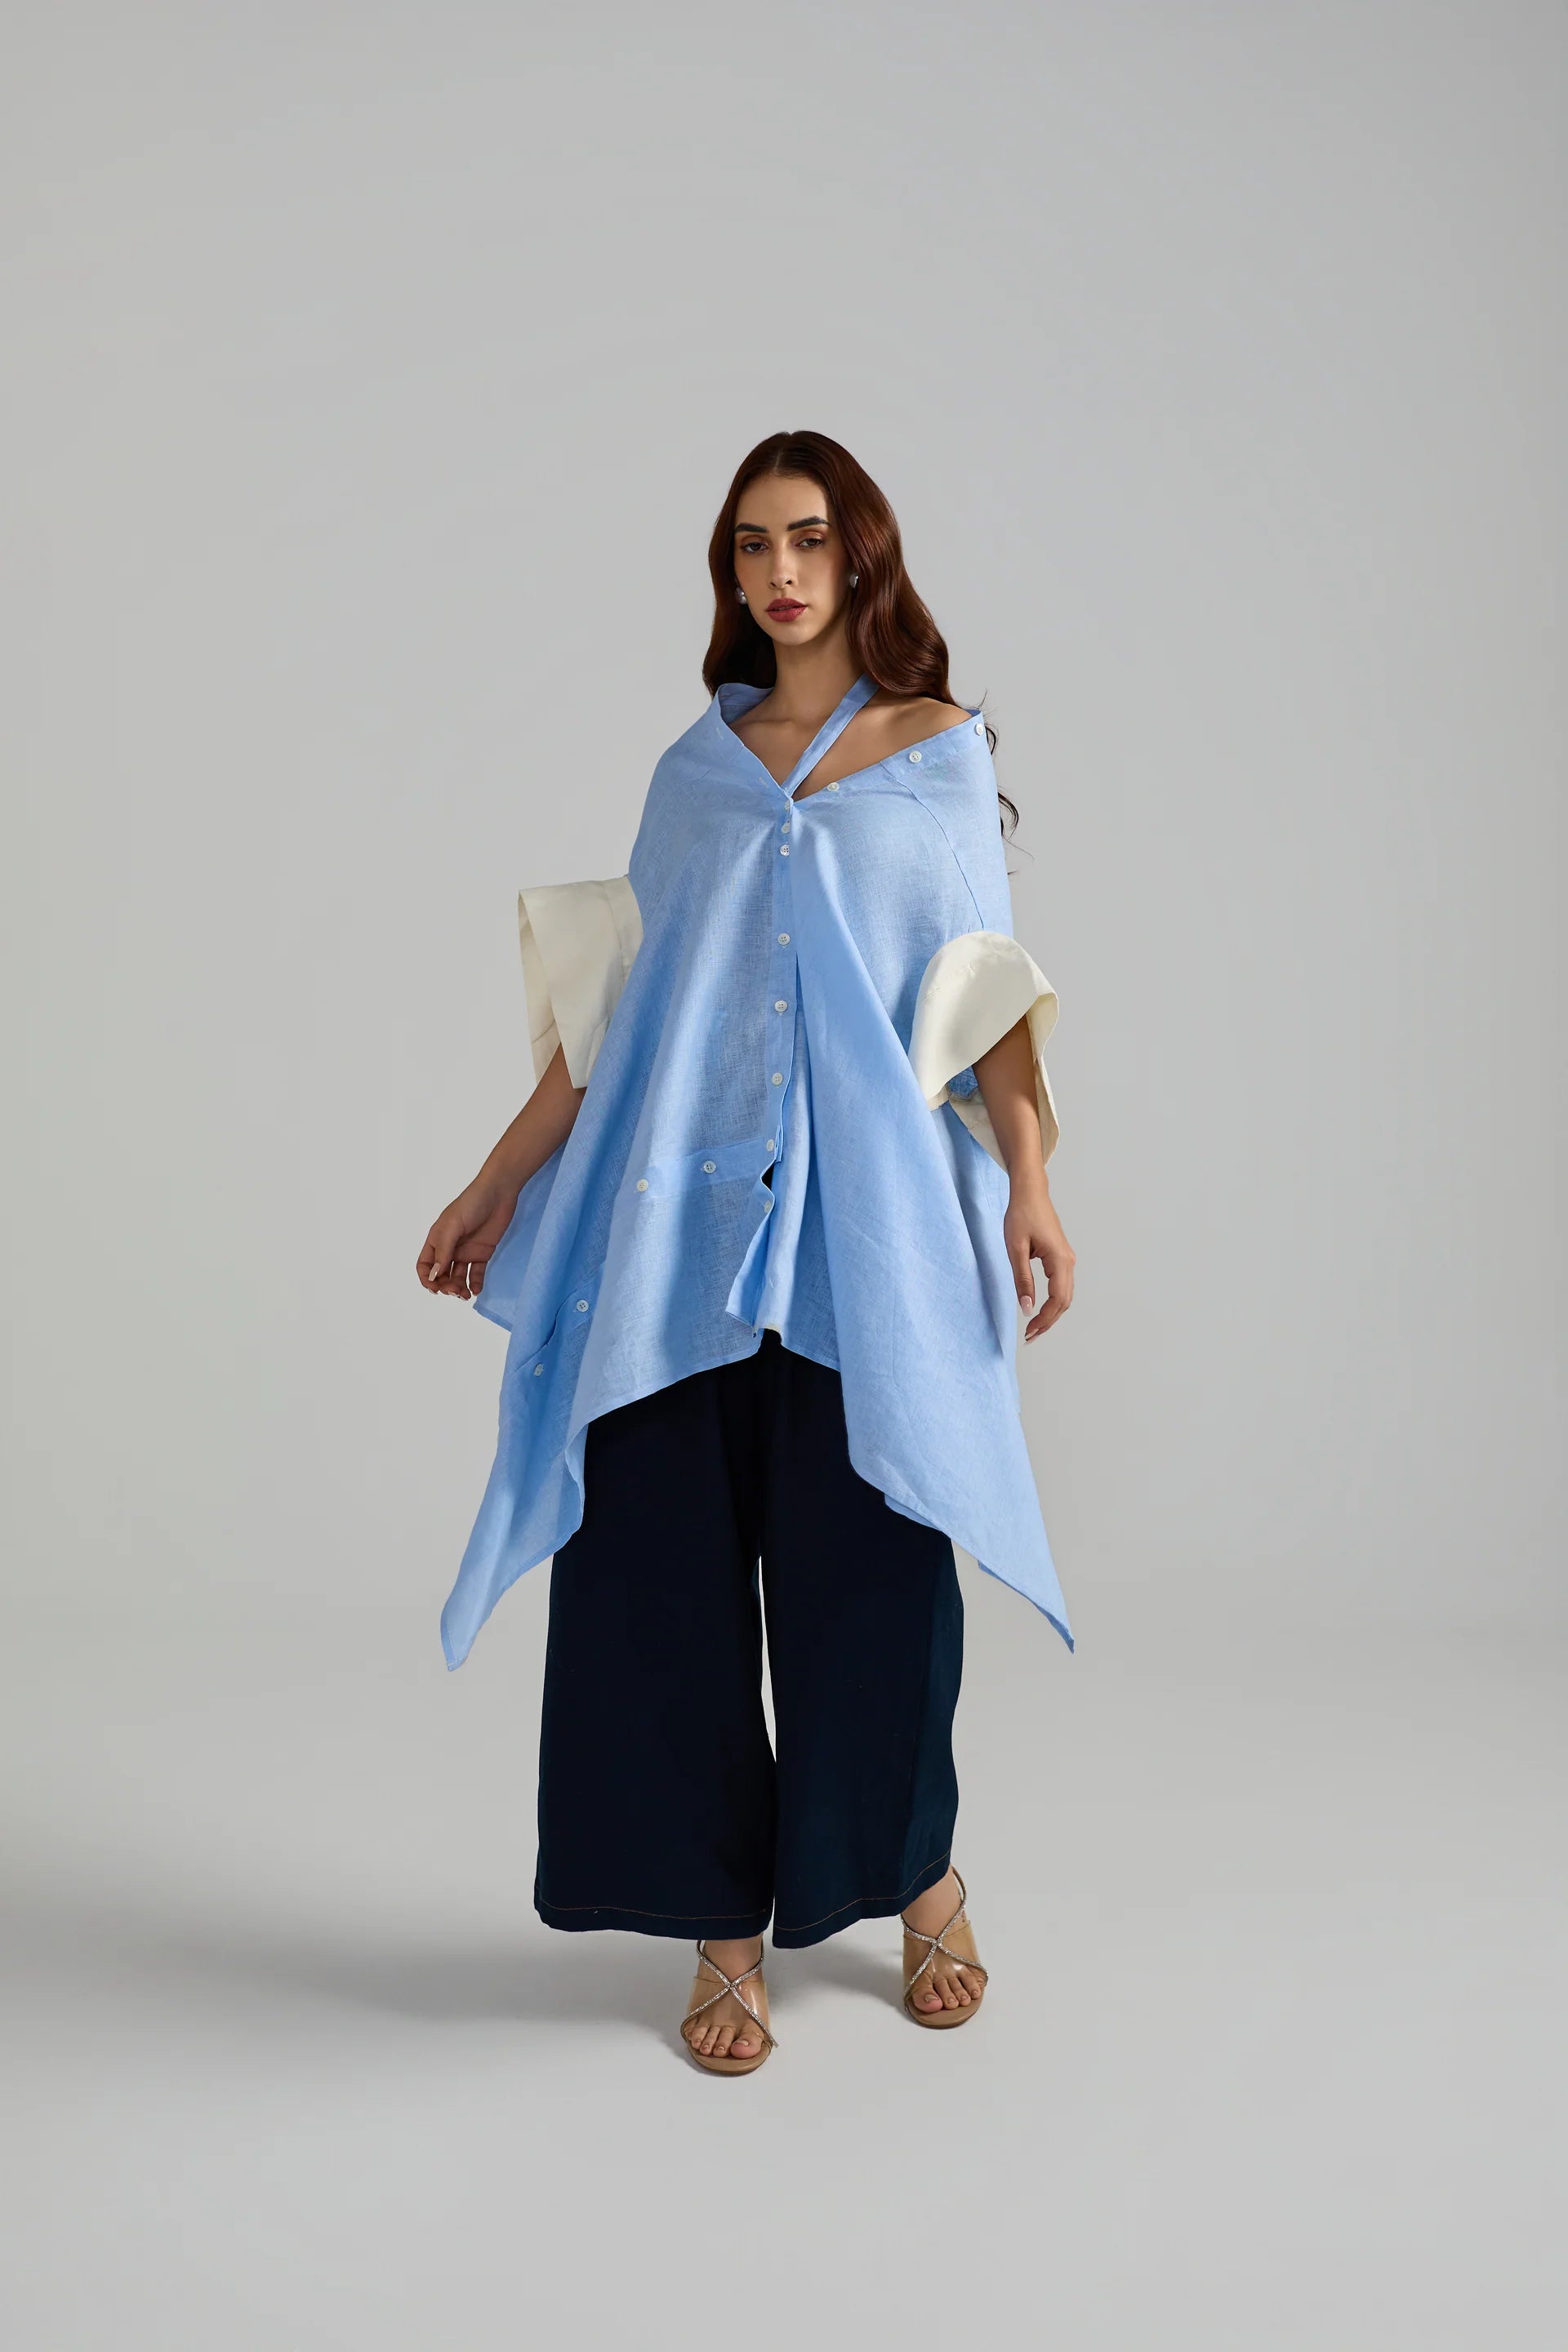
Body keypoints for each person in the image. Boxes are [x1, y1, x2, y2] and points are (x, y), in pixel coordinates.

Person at [417, 430, 1076, 2075]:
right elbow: (622, 1011)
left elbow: (986, 997)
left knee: (876, 1580)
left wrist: (1032, 1186)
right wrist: (497, 1182)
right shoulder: (697, 772)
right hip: (678, 1245)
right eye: (749, 547)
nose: (779, 573)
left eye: (807, 540)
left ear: (861, 556)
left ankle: (917, 1878)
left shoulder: (934, 755)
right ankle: (721, 1926)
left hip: (864, 1249)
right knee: (661, 1586)